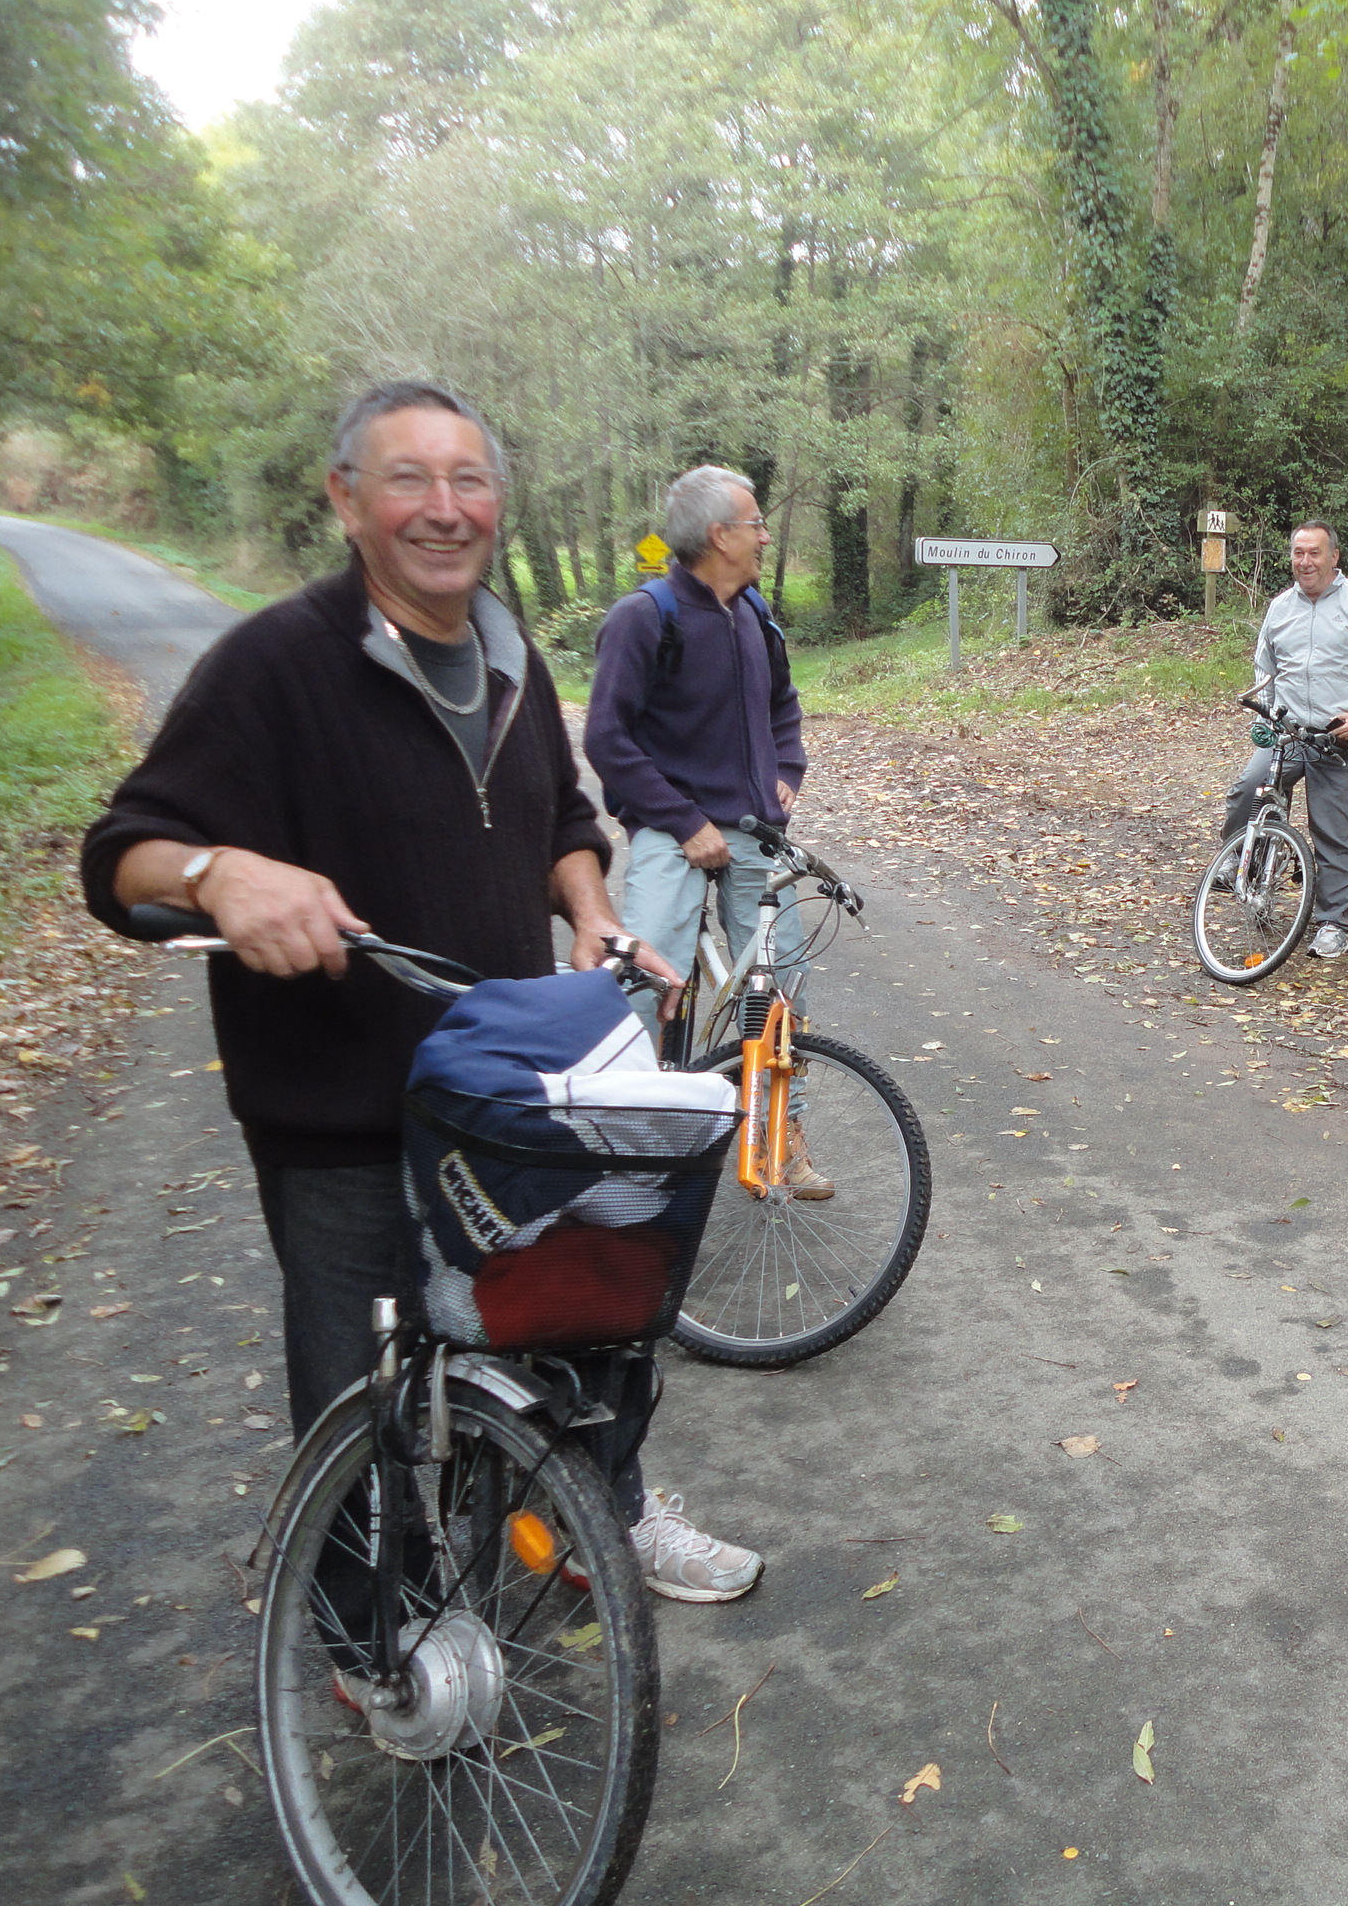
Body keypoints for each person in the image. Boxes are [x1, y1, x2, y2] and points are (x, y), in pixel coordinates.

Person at [80, 382, 764, 1604]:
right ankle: (364, 1639)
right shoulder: (274, 665)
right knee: (363, 1394)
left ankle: (601, 1518)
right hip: (342, 1113)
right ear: (348, 500)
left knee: (582, 1322)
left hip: (504, 1099)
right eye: (410, 479)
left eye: (469, 482)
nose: (443, 509)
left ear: (497, 503)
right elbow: (123, 850)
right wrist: (220, 871)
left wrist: (594, 913)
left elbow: (560, 817)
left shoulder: (503, 649)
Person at [581, 466, 824, 1195]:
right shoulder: (644, 616)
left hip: (752, 830)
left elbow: (784, 706)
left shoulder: (755, 615)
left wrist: (787, 768)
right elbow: (607, 739)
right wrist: (684, 821)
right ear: (719, 535)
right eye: (755, 523)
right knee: (646, 978)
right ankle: (624, 1144)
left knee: (783, 987)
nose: (764, 534)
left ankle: (778, 1134)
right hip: (669, 830)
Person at [1220, 520, 1348, 960]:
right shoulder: (1281, 608)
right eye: (1298, 553)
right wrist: (1267, 708)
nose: (1305, 562)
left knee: (1334, 831)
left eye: (1314, 553)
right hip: (1289, 732)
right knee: (1250, 788)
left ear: (1334, 557)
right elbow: (1265, 670)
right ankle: (1240, 861)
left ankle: (1334, 923)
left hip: (1340, 738)